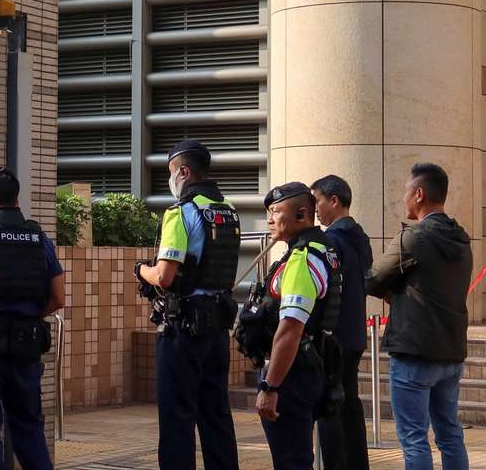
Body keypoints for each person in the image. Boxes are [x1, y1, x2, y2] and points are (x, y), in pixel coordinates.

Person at [136, 140, 239, 470]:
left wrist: (142, 271)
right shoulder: (228, 212)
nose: (171, 180)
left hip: (184, 329)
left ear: (183, 171)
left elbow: (165, 276)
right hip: (218, 327)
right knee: (216, 415)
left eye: (170, 173)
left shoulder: (181, 213)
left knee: (177, 417)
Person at [367, 163, 471, 470]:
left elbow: (372, 279)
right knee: (450, 434)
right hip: (451, 352)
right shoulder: (462, 239)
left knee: (414, 439)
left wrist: (395, 291)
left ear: (419, 193)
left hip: (414, 350)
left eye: (406, 192)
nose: (404, 199)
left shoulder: (413, 238)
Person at [234, 182, 339, 470]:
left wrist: (270, 386)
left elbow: (291, 328)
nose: (269, 219)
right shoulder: (318, 249)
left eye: (276, 211)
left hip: (291, 375)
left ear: (302, 214)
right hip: (304, 368)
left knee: (291, 461)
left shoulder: (302, 259)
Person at [0, 167, 65, 470]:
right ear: (17, 199)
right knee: (29, 428)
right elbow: (58, 298)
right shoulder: (39, 238)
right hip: (27, 344)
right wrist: (29, 313)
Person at [311, 175, 372, 470]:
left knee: (331, 408)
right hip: (355, 334)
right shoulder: (360, 237)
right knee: (349, 405)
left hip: (334, 337)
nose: (315, 209)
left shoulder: (331, 240)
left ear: (334, 201)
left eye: (317, 201)